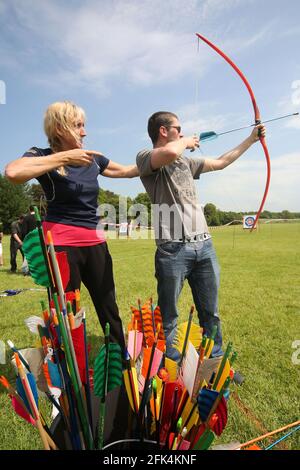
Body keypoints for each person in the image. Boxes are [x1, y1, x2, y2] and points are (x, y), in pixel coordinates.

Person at [5, 100, 139, 352]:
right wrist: (65, 157)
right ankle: (69, 364)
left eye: (83, 126)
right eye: (78, 125)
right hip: (61, 246)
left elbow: (130, 170)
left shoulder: (93, 159)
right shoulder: (42, 155)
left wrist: (162, 153)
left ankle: (120, 361)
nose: (84, 132)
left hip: (95, 243)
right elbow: (12, 173)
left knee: (108, 305)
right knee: (67, 312)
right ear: (59, 128)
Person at [136, 111, 266, 362]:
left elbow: (221, 162)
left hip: (204, 245)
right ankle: (170, 366)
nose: (182, 133)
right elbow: (171, 152)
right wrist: (186, 142)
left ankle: (213, 362)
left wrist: (251, 139)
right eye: (178, 128)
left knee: (211, 313)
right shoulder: (146, 158)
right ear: (163, 131)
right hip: (172, 249)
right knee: (169, 316)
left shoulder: (186, 162)